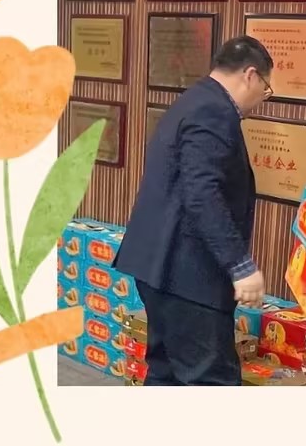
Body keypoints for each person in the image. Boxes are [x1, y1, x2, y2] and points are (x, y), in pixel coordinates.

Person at [112, 36, 275, 386]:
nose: (263, 97)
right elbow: (202, 193)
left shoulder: (193, 100)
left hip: (160, 268)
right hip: (187, 276)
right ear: (250, 75)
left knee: (166, 374)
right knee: (210, 382)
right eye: (266, 88)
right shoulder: (215, 111)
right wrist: (240, 265)